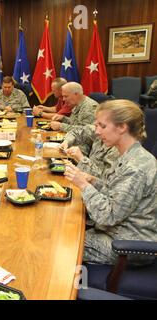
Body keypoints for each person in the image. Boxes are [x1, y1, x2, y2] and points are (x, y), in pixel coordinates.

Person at [64, 99, 157, 266]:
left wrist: (83, 185)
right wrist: (93, 181)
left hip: (126, 245)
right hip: (116, 232)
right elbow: (115, 194)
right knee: (63, 227)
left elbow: (108, 215)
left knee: (61, 241)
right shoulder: (129, 154)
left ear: (122, 127)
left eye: (102, 126)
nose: (97, 132)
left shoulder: (136, 167)